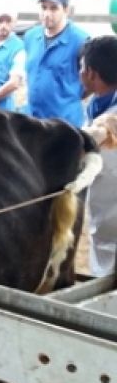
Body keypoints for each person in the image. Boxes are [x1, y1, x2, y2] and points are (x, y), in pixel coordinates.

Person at [23, 0, 89, 127]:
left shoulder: (80, 41)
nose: (47, 13)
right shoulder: (31, 37)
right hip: (34, 120)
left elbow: (90, 82)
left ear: (66, 10)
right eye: (43, 7)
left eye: (53, 8)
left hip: (65, 124)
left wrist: (69, 99)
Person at [80, 35, 117, 276]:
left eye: (81, 68)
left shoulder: (109, 119)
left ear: (91, 73)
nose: (80, 73)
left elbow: (94, 136)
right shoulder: (97, 106)